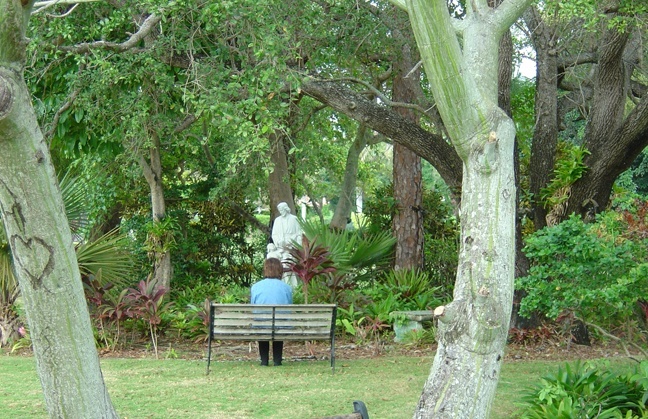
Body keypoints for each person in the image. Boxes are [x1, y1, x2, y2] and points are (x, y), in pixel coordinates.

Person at [250, 258, 293, 366]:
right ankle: (277, 361)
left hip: (261, 324)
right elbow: (289, 307)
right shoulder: (287, 287)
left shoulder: (256, 287)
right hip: (280, 324)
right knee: (279, 324)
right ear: (280, 270)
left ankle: (264, 361)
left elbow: (253, 307)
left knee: (262, 325)